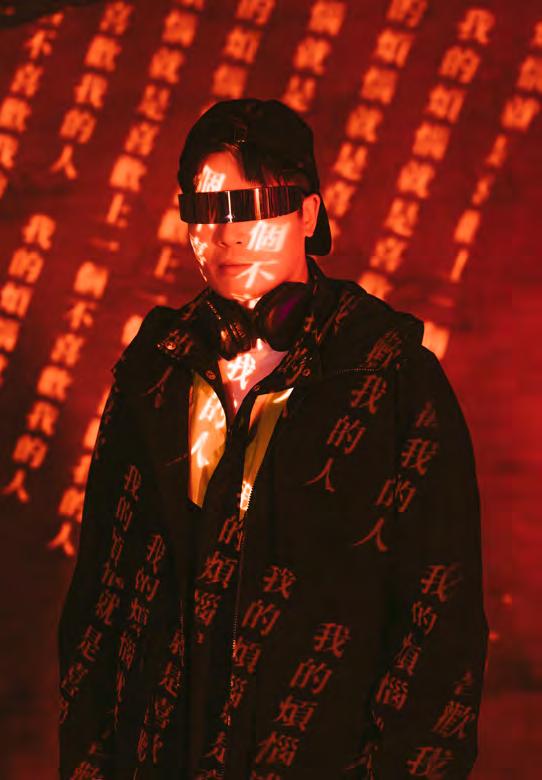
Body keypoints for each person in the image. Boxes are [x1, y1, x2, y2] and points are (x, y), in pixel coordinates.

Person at [57, 98, 489, 779]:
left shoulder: (389, 375)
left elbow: (441, 627)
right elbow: (98, 602)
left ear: (308, 215)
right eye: (206, 210)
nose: (227, 235)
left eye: (252, 208)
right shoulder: (153, 372)